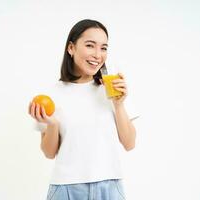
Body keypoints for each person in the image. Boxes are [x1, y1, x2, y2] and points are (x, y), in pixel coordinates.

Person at [28, 19, 137, 200]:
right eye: (90, 45)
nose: (97, 55)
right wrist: (52, 124)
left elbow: (129, 143)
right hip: (66, 190)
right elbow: (49, 153)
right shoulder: (51, 94)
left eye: (103, 48)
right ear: (71, 48)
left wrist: (119, 104)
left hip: (109, 188)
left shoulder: (113, 89)